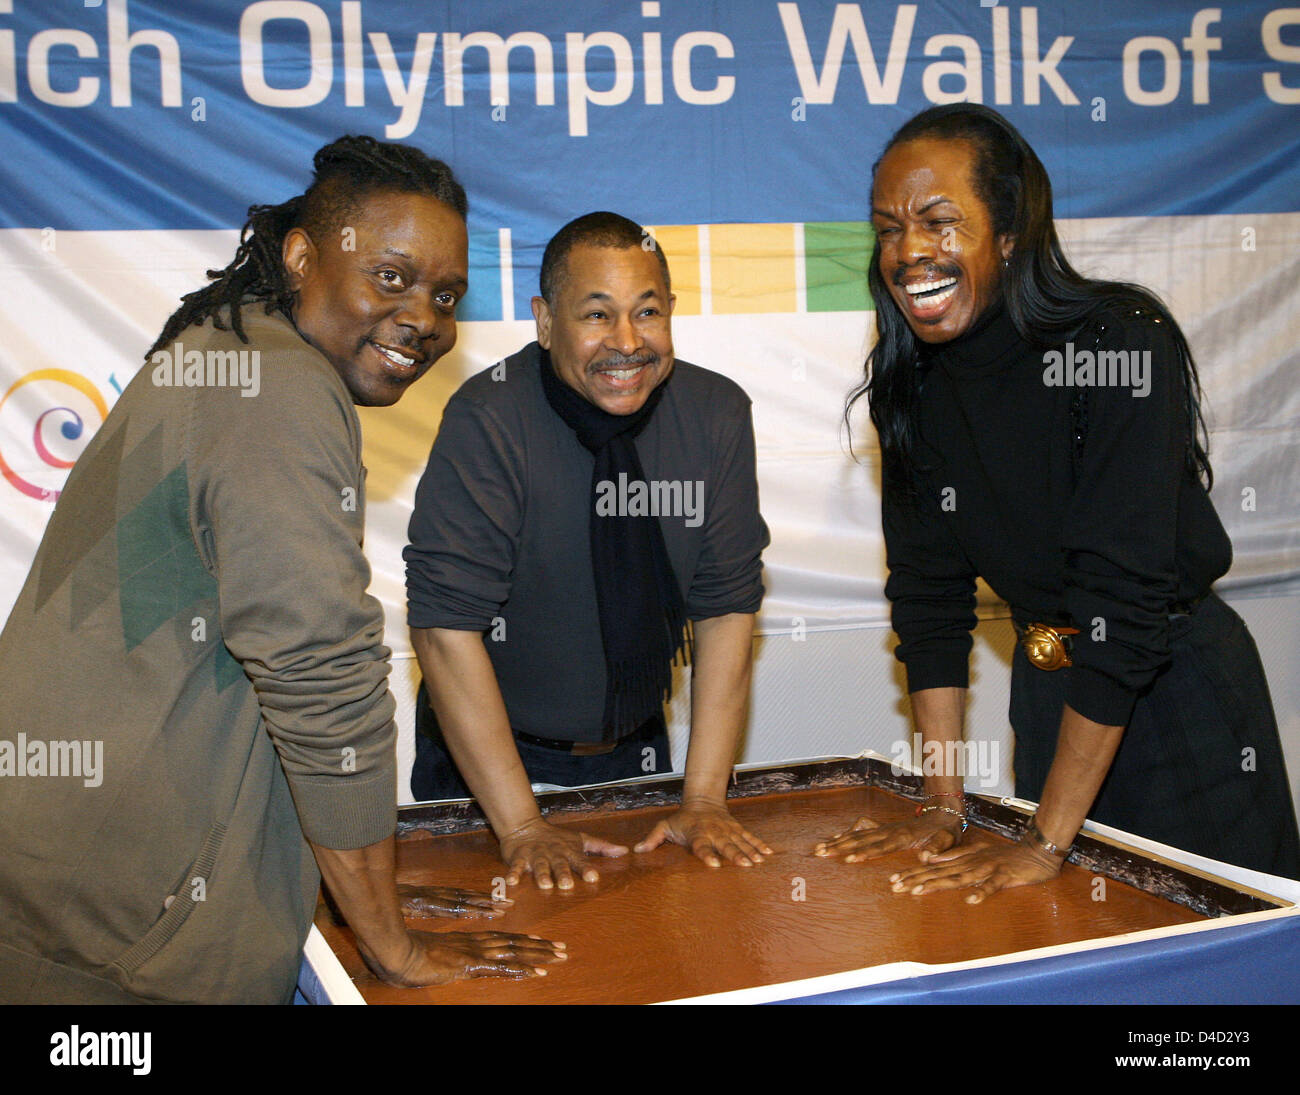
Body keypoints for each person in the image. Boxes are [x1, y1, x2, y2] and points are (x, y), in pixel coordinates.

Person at [0, 136, 564, 1004]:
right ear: (303, 256)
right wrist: (392, 944)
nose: (424, 315)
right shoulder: (282, 390)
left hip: (65, 894)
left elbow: (214, 656)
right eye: (391, 276)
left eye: (445, 293)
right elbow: (321, 683)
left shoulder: (225, 352)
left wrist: (350, 887)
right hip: (113, 948)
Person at [815, 103, 1300, 898]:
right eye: (887, 229)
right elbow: (930, 604)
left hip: (1175, 702)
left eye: (940, 221)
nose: (909, 252)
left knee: (1218, 978)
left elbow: (1126, 604)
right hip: (1053, 703)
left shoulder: (1118, 341)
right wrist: (944, 803)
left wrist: (1045, 840)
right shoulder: (911, 386)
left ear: (1009, 233)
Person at [405, 211, 773, 891]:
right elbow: (443, 628)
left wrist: (702, 800)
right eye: (597, 315)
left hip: (639, 762)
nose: (627, 342)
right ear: (545, 322)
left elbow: (726, 610)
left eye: (648, 311)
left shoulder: (717, 413)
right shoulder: (488, 418)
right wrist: (519, 825)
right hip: (484, 777)